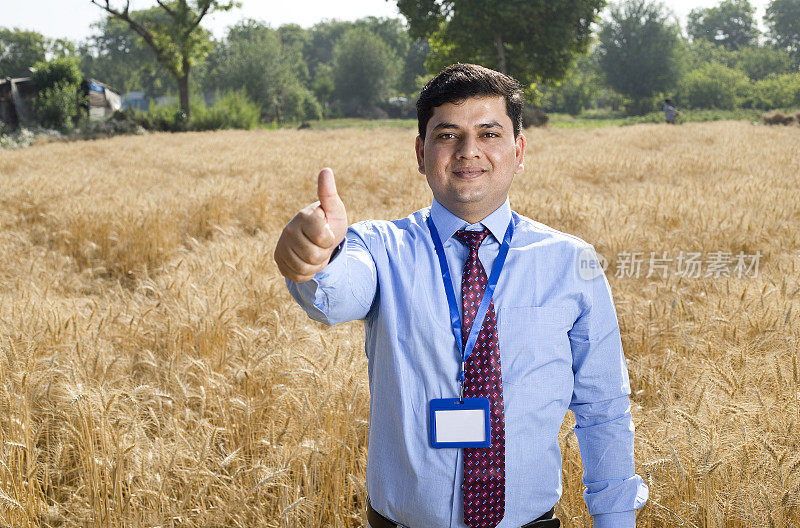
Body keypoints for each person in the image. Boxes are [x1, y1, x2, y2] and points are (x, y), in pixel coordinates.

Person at [274, 63, 648, 528]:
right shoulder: (379, 248)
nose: (469, 152)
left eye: (489, 133)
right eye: (447, 135)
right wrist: (314, 260)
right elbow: (334, 296)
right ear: (420, 151)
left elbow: (604, 408)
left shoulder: (573, 263)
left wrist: (615, 521)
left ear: (519, 149)